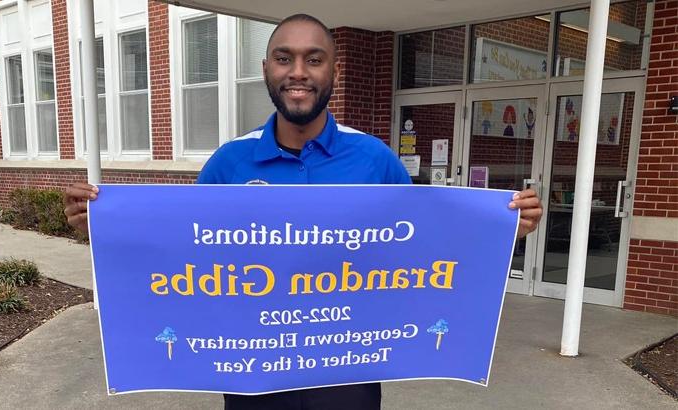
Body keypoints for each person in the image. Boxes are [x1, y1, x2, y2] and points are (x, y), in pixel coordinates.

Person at [64, 13, 543, 410]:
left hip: (348, 377)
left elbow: (426, 247)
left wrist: (503, 231)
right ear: (266, 69)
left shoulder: (374, 159)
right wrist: (107, 228)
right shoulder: (230, 163)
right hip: (253, 375)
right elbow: (181, 253)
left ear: (335, 73)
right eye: (284, 58)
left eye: (314, 59)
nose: (298, 72)